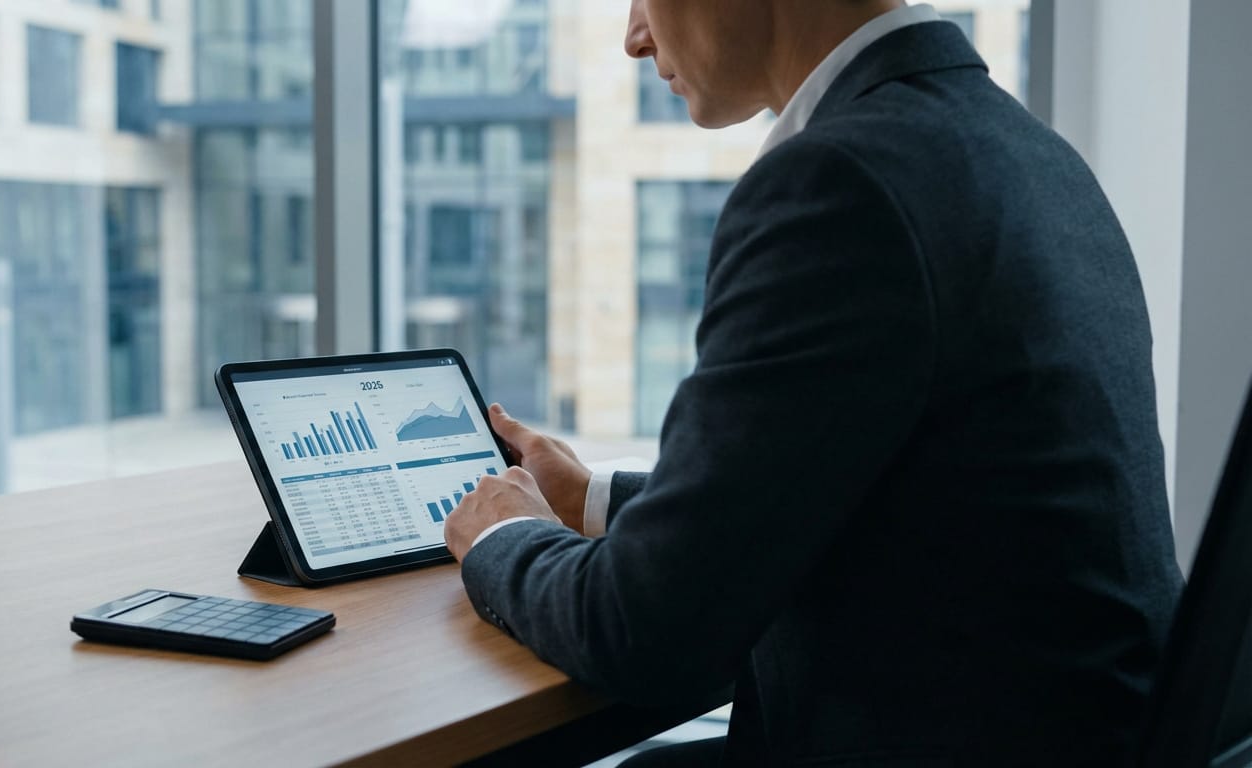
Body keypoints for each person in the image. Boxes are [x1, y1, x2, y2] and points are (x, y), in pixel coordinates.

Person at [443, 1, 1185, 765]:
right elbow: (864, 488)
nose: (634, 37)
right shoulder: (1022, 148)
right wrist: (590, 499)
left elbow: (645, 635)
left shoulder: (839, 180)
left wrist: (502, 536)